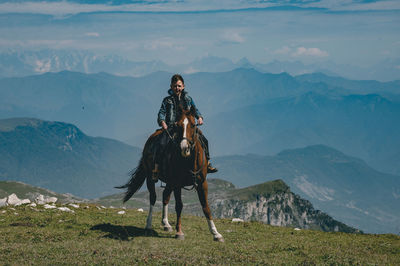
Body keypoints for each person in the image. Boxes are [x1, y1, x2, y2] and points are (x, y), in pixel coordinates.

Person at [152, 74, 218, 180]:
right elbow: (161, 112)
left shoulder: (188, 99)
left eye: (179, 86)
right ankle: (156, 168)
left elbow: (195, 109)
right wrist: (162, 121)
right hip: (172, 127)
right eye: (175, 86)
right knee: (161, 142)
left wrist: (199, 117)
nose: (177, 88)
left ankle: (208, 163)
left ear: (183, 86)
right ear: (171, 87)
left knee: (203, 139)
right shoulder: (167, 100)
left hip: (187, 126)